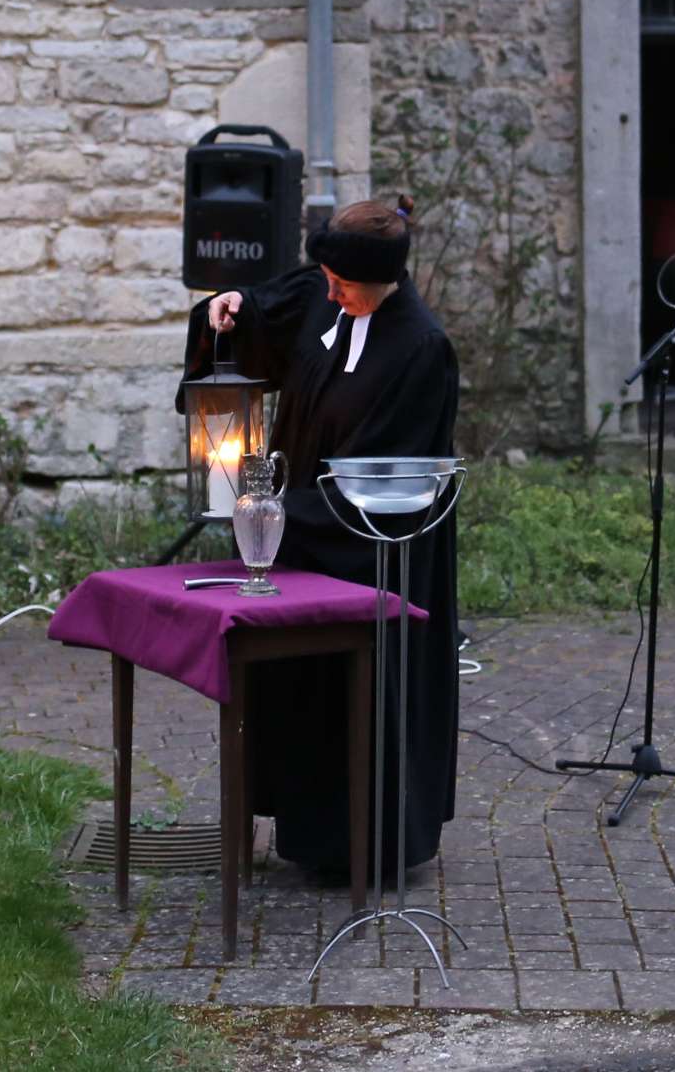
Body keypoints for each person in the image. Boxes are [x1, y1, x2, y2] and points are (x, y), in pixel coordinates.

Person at [175, 195, 459, 875]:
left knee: (356, 695)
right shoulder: (327, 290)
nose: (331, 295)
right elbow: (277, 305)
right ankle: (302, 832)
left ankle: (367, 844)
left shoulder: (420, 350)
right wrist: (232, 304)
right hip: (300, 531)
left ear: (386, 280)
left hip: (368, 557)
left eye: (345, 286)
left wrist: (279, 509)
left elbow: (386, 490)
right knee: (296, 691)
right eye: (327, 279)